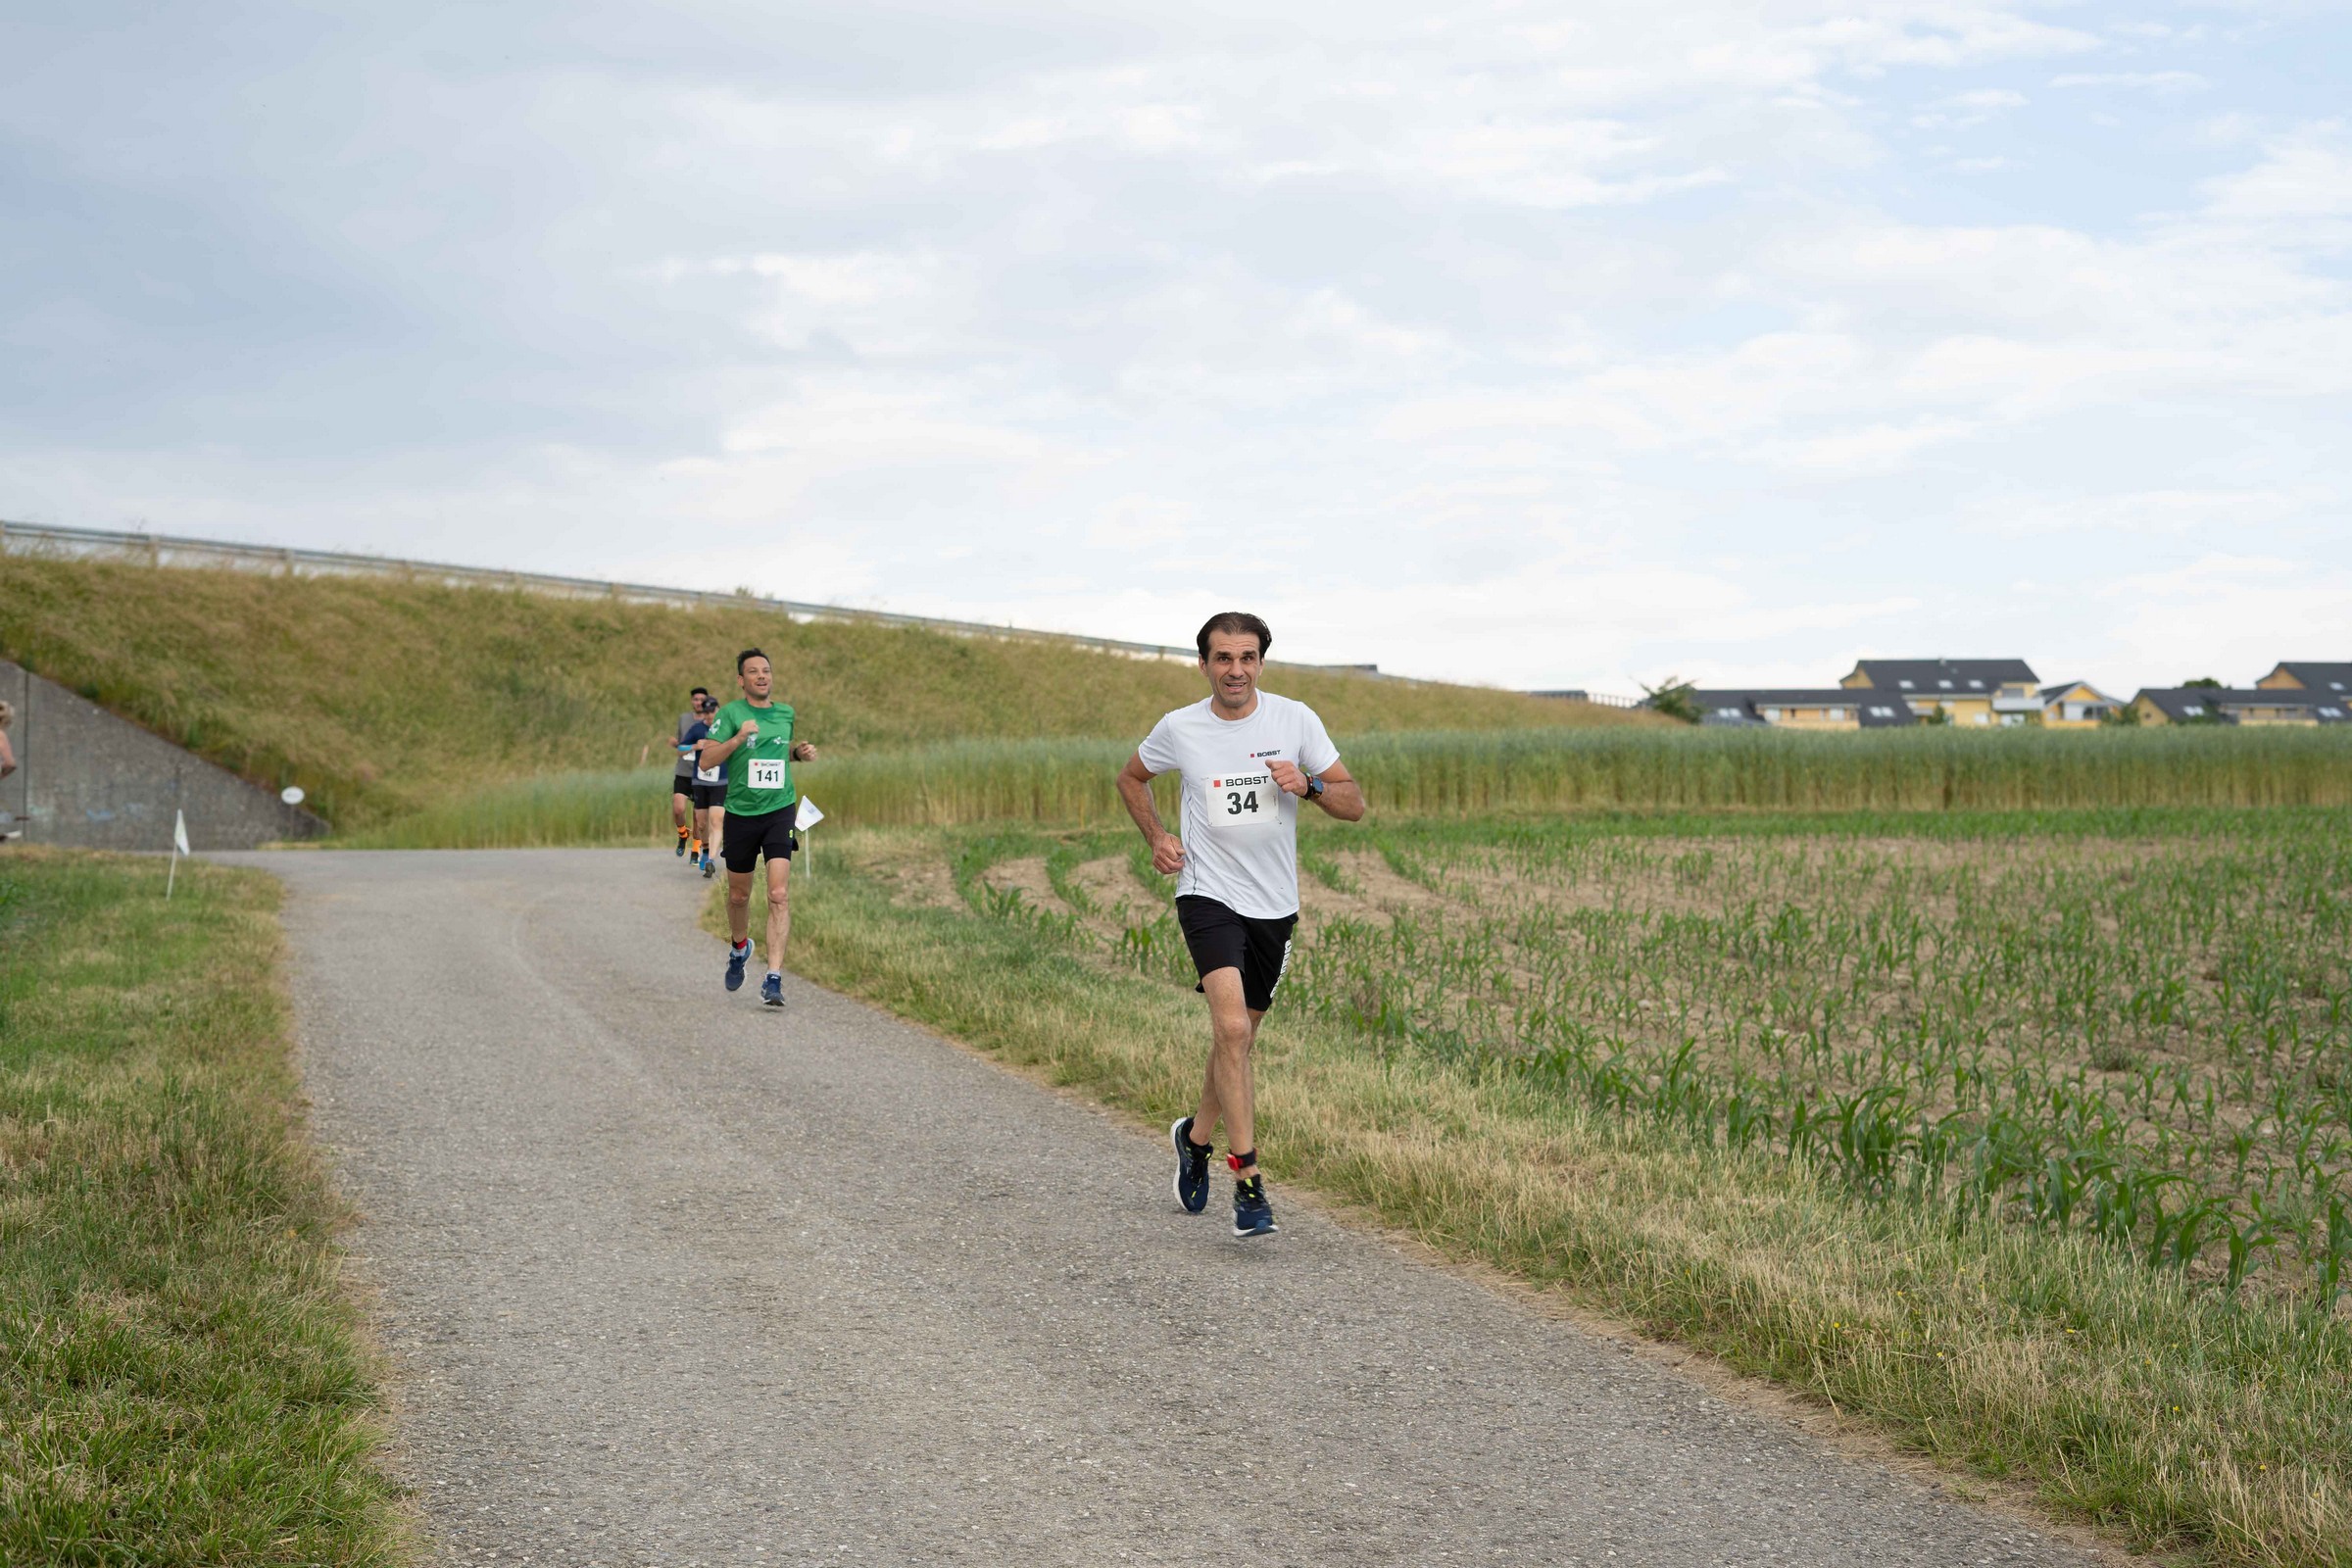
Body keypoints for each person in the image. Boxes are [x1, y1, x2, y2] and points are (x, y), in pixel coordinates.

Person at [1116, 612, 1364, 1238]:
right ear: (1203, 664)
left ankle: (1195, 1139)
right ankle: (1248, 1182)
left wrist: (1309, 785)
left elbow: (1354, 803)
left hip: (1274, 904)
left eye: (1246, 657)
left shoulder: (1295, 720)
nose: (1235, 670)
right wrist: (1157, 837)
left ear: (1261, 663)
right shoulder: (1180, 727)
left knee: (1238, 1041)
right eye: (1223, 658)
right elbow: (1131, 778)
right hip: (1208, 893)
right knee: (1229, 1028)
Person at [698, 649, 815, 1006]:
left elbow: (776, 754)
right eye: (753, 671)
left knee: (778, 894)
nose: (762, 676)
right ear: (741, 680)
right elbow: (706, 761)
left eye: (766, 670)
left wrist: (797, 754)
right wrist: (737, 739)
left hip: (780, 810)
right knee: (739, 896)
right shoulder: (731, 714)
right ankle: (739, 948)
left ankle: (774, 978)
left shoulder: (785, 713)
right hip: (741, 813)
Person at [661, 689, 713, 861]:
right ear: (692, 701)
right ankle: (683, 834)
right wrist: (677, 744)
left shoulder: (713, 722)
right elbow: (683, 743)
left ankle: (695, 850)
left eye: (702, 699)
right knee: (678, 809)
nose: (699, 702)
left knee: (699, 816)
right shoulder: (684, 719)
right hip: (683, 771)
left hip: (702, 773)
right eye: (695, 699)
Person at [684, 691, 725, 876]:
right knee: (701, 823)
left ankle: (711, 859)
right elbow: (680, 748)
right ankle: (706, 849)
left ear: (718, 710)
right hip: (700, 780)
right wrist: (694, 746)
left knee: (716, 820)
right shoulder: (696, 729)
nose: (709, 715)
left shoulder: (727, 729)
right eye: (706, 712)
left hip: (721, 780)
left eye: (712, 711)